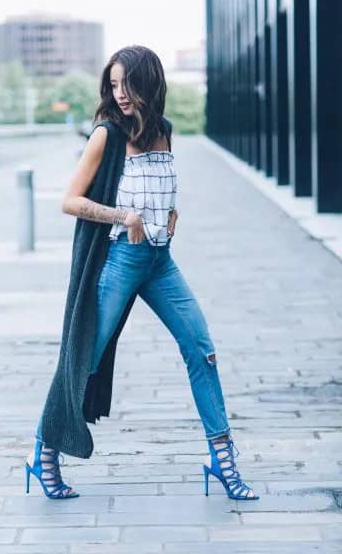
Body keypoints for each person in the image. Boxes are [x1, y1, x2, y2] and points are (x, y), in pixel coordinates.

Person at [25, 45, 259, 501]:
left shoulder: (165, 132)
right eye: (112, 85)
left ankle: (222, 458)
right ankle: (43, 452)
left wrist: (172, 213)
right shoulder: (106, 136)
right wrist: (122, 216)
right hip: (120, 261)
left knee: (201, 349)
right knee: (84, 358)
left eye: (126, 84)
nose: (119, 94)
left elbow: (159, 186)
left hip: (160, 261)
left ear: (147, 82)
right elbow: (69, 200)